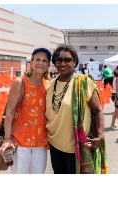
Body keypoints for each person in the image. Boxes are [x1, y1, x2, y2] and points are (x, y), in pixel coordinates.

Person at [46, 44, 109, 174]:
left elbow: (98, 110)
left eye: (68, 60)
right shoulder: (49, 85)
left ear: (74, 63)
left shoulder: (84, 83)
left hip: (76, 147)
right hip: (55, 145)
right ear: (55, 63)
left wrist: (100, 135)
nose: (63, 63)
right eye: (59, 60)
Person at [0, 47, 51, 174]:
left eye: (44, 61)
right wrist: (7, 139)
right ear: (31, 62)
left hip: (41, 143)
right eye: (37, 59)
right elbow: (9, 112)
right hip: (20, 142)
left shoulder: (49, 85)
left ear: (48, 65)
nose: (41, 63)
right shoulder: (20, 82)